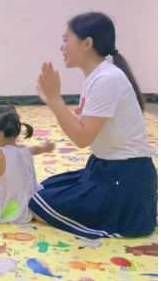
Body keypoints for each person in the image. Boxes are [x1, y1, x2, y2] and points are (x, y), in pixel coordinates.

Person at [30, 12, 157, 238]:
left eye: (65, 40)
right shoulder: (98, 76)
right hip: (104, 169)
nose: (61, 47)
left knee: (37, 203)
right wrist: (52, 100)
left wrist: (56, 100)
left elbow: (82, 138)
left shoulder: (107, 79)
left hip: (125, 182)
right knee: (41, 189)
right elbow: (82, 130)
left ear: (87, 43)